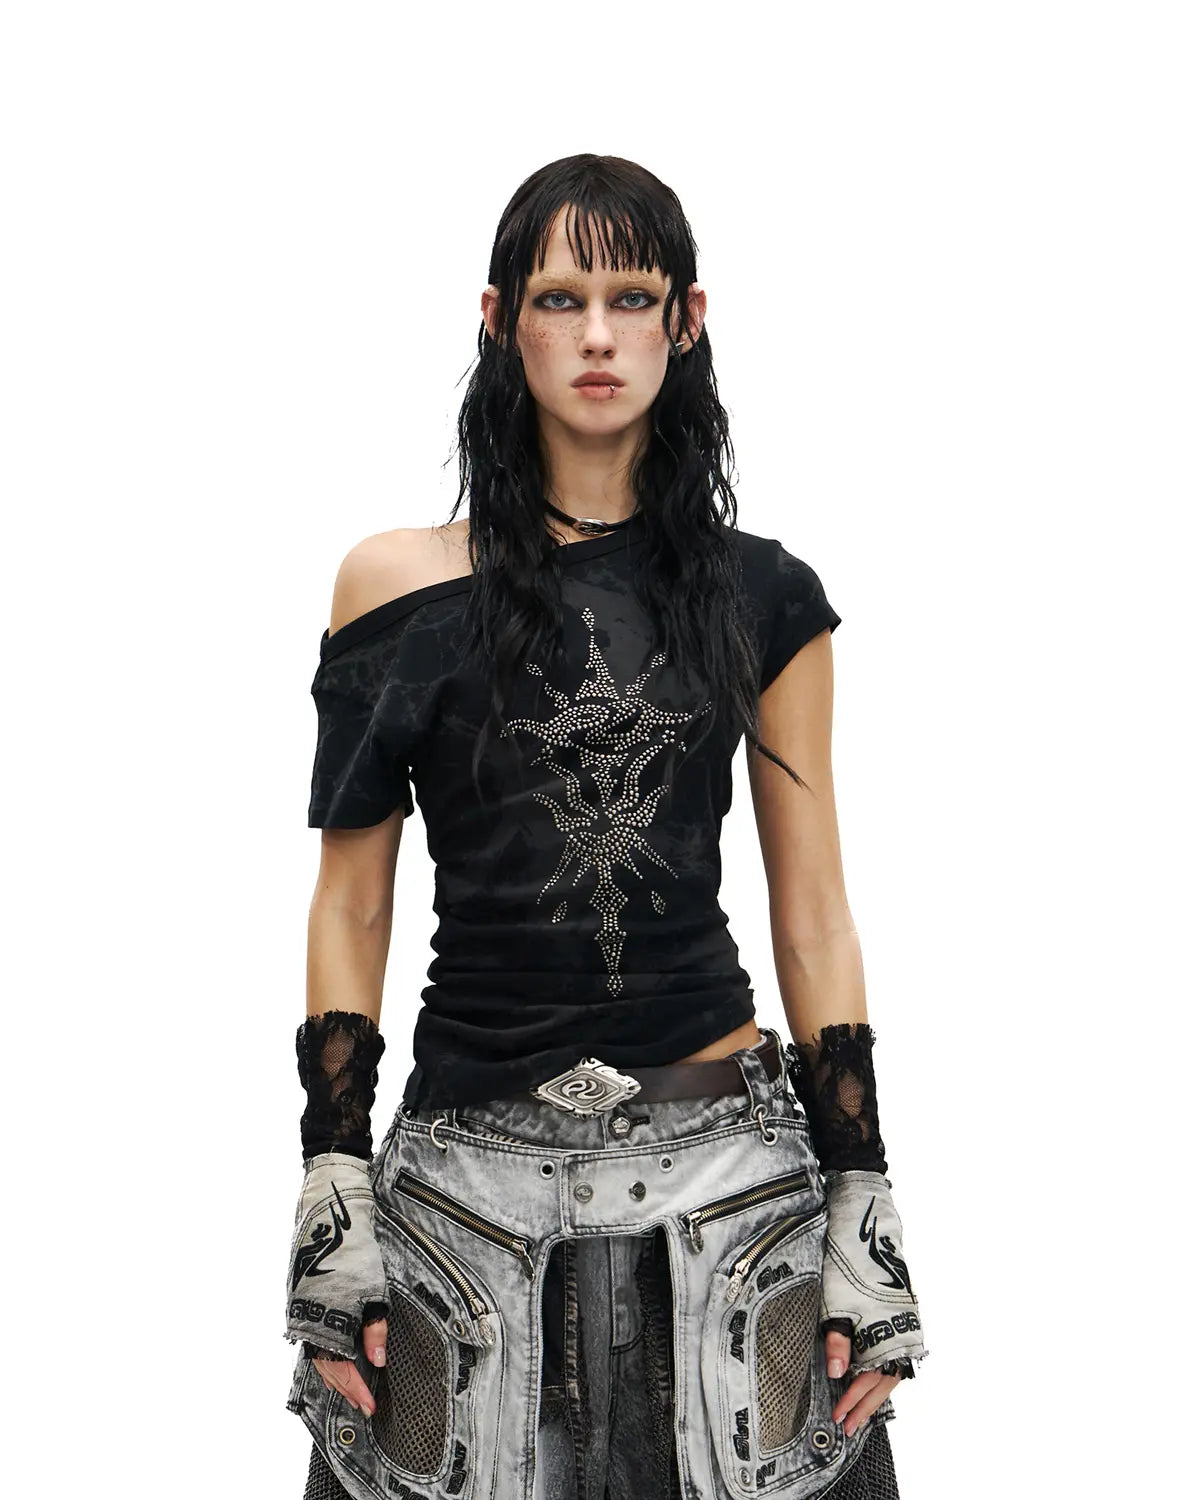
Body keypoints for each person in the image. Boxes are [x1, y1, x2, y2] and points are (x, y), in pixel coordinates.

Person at [283, 154, 927, 1500]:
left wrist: (862, 1193)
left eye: (631, 298)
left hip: (732, 1193)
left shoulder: (762, 597)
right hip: (461, 1206)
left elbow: (814, 914)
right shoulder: (390, 588)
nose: (595, 335)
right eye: (559, 298)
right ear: (498, 319)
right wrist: (331, 1174)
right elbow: (352, 899)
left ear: (686, 320)